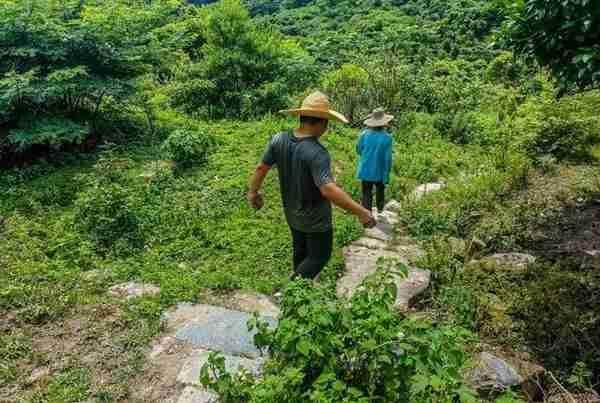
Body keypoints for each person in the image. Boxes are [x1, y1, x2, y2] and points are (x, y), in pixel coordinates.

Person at [247, 91, 376, 280]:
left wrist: (253, 192)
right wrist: (362, 212)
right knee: (319, 256)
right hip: (316, 220)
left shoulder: (279, 139)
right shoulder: (317, 152)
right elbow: (328, 189)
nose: (326, 128)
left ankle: (301, 295)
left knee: (301, 253)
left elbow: (261, 168)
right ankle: (292, 292)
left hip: (291, 212)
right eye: (327, 123)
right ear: (321, 122)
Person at [356, 108, 394, 214]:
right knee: (380, 190)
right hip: (380, 171)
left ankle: (367, 214)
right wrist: (386, 174)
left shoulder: (363, 135)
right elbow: (388, 159)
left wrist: (367, 156)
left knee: (366, 192)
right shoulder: (387, 138)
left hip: (366, 169)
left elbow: (359, 150)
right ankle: (380, 209)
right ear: (384, 123)